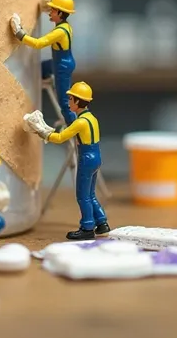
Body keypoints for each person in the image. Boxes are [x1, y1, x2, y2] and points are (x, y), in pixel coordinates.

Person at [27, 81, 110, 241]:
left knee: (82, 196)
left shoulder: (79, 122)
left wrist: (43, 133)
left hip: (86, 157)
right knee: (91, 194)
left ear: (78, 101)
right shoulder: (92, 118)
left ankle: (87, 227)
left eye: (71, 99)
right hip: (96, 156)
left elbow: (60, 138)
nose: (69, 102)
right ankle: (102, 223)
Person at [11, 0, 76, 126]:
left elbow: (39, 43)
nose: (50, 13)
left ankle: (72, 126)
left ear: (60, 13)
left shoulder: (60, 32)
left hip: (61, 66)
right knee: (40, 69)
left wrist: (20, 34)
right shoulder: (66, 26)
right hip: (63, 62)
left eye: (52, 10)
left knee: (64, 101)